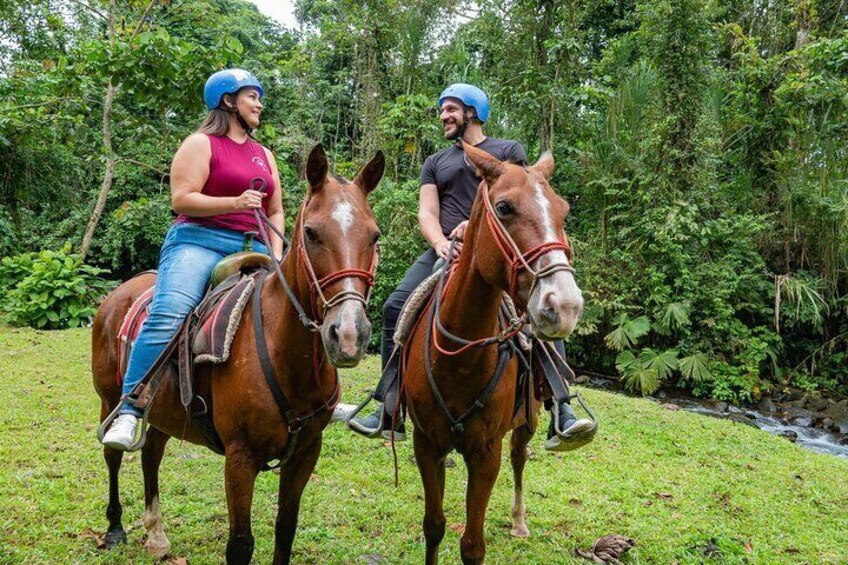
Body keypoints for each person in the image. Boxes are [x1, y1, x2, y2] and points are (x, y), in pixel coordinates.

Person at [348, 83, 596, 451]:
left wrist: (475, 225)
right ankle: (390, 407)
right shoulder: (436, 162)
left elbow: (526, 199)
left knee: (534, 307)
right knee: (395, 306)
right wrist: (440, 243)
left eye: (451, 108)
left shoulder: (507, 151)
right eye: (442, 110)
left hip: (494, 249)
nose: (444, 115)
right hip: (445, 249)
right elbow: (426, 213)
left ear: (473, 110)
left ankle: (561, 405)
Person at [101, 69, 285, 450]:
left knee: (296, 305)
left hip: (254, 243)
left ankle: (318, 399)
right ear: (228, 101)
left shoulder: (264, 154)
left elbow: (276, 209)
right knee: (171, 311)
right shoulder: (201, 144)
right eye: (252, 96)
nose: (259, 104)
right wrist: (234, 203)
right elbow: (182, 199)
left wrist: (277, 253)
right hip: (199, 240)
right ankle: (130, 409)